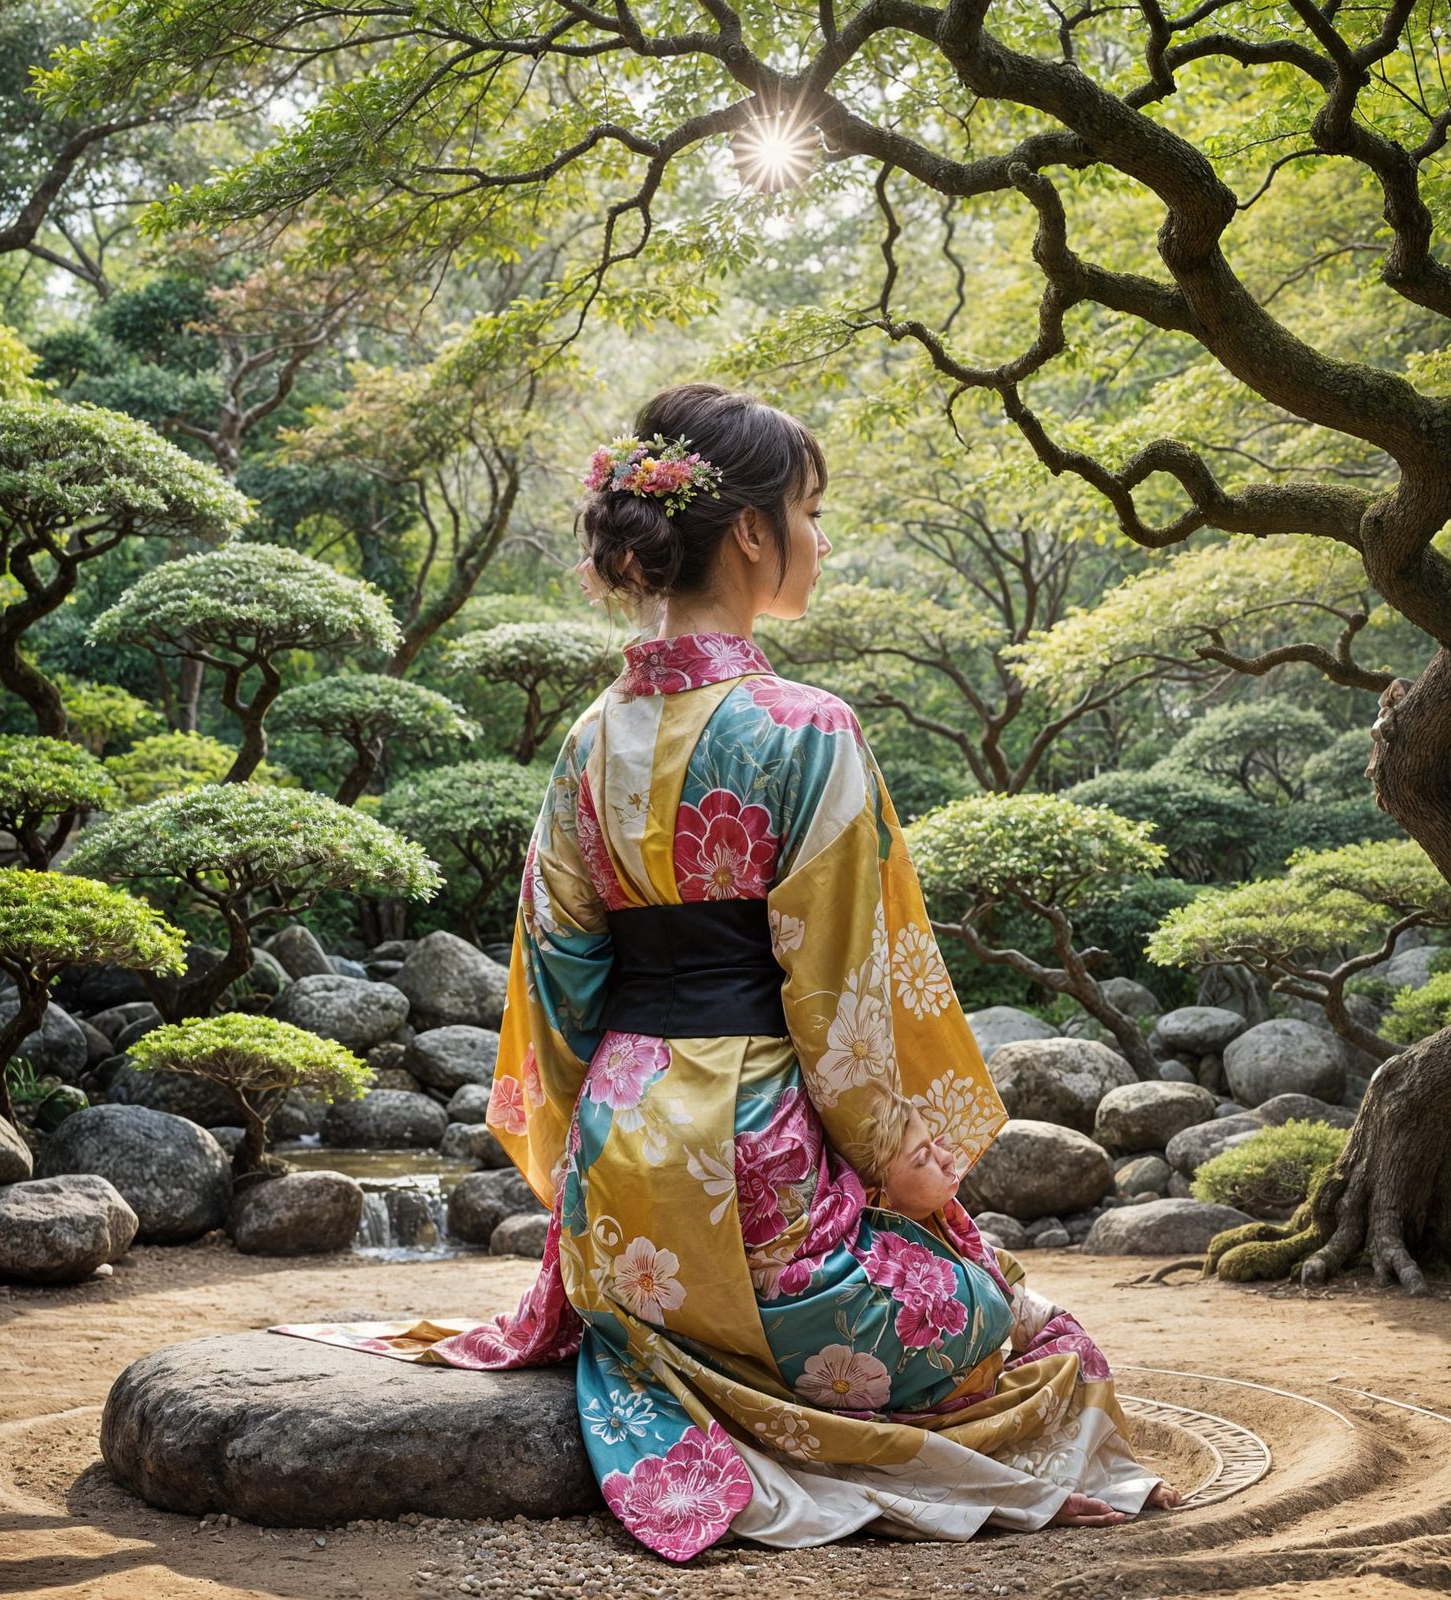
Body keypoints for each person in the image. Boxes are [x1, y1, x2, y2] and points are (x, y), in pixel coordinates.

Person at [274, 382, 1181, 1559]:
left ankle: (650, 1320)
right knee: (1034, 1333)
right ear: (750, 531)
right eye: (810, 509)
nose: (817, 537)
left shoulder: (588, 736)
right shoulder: (804, 726)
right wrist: (911, 1167)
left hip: (616, 1193)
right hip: (762, 1173)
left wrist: (577, 1177)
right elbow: (849, 989)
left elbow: (555, 980)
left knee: (891, 1281)